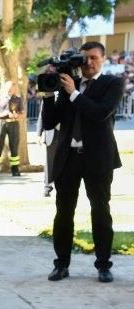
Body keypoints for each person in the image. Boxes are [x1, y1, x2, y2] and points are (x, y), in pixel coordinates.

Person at [41, 41, 123, 283]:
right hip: (68, 158)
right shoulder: (69, 85)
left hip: (98, 158)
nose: (88, 63)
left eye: (94, 58)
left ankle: (103, 264)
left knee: (100, 212)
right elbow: (49, 123)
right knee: (63, 213)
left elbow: (99, 114)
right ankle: (61, 264)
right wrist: (48, 94)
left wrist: (74, 93)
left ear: (103, 59)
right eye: (85, 58)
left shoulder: (112, 84)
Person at [0, 81, 23, 176]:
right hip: (1, 123)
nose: (10, 90)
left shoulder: (18, 99)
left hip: (14, 124)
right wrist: (2, 114)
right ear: (5, 88)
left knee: (14, 147)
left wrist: (17, 115)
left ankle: (15, 170)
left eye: (12, 88)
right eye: (8, 88)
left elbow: (22, 113)